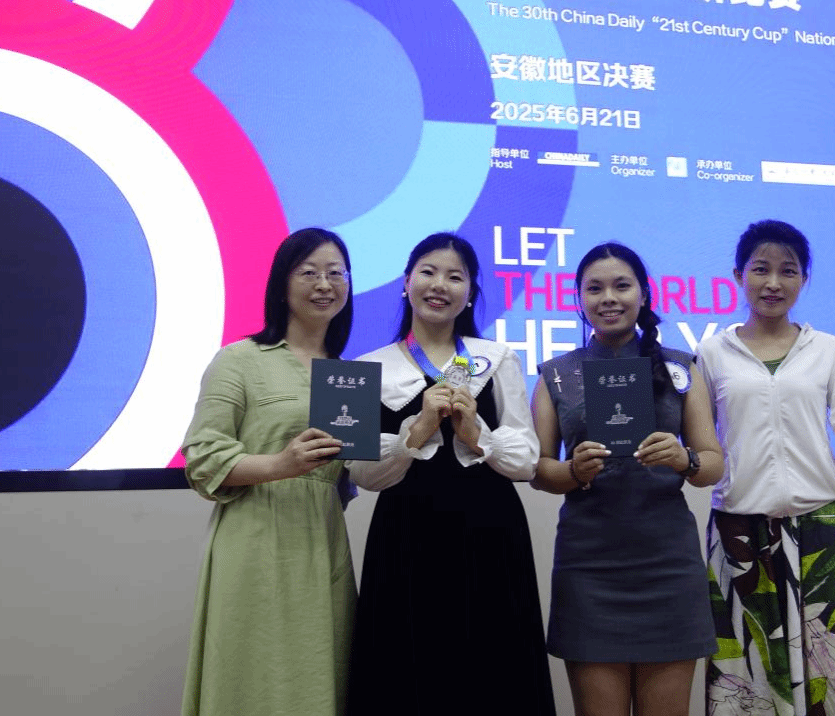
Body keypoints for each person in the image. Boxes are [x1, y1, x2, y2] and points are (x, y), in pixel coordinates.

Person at [345, 232, 555, 716]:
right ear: (406, 283)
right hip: (406, 535)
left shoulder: (497, 358)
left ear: (470, 293)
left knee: (492, 669)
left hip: (489, 532)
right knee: (407, 668)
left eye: (455, 277)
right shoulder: (366, 367)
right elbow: (360, 472)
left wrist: (475, 433)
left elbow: (526, 460)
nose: (439, 285)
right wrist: (418, 429)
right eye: (428, 272)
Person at [697, 220, 835, 716]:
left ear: (804, 279)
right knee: (750, 681)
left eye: (788, 271)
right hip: (741, 534)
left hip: (824, 530)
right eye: (760, 269)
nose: (773, 283)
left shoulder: (827, 348)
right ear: (738, 275)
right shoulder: (711, 353)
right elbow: (699, 439)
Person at [532, 242, 725, 716]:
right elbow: (538, 470)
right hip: (588, 568)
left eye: (622, 285)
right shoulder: (557, 375)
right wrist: (573, 471)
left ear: (643, 293)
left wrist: (683, 459)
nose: (608, 298)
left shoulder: (680, 367)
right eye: (594, 288)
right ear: (579, 298)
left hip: (668, 565)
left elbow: (712, 464)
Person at [181, 227, 357, 716]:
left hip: (324, 537)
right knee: (255, 673)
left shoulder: (348, 374)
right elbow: (202, 459)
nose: (324, 284)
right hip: (256, 537)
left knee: (320, 672)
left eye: (336, 273)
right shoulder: (239, 360)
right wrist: (281, 464)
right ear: (282, 283)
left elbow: (353, 471)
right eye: (309, 272)